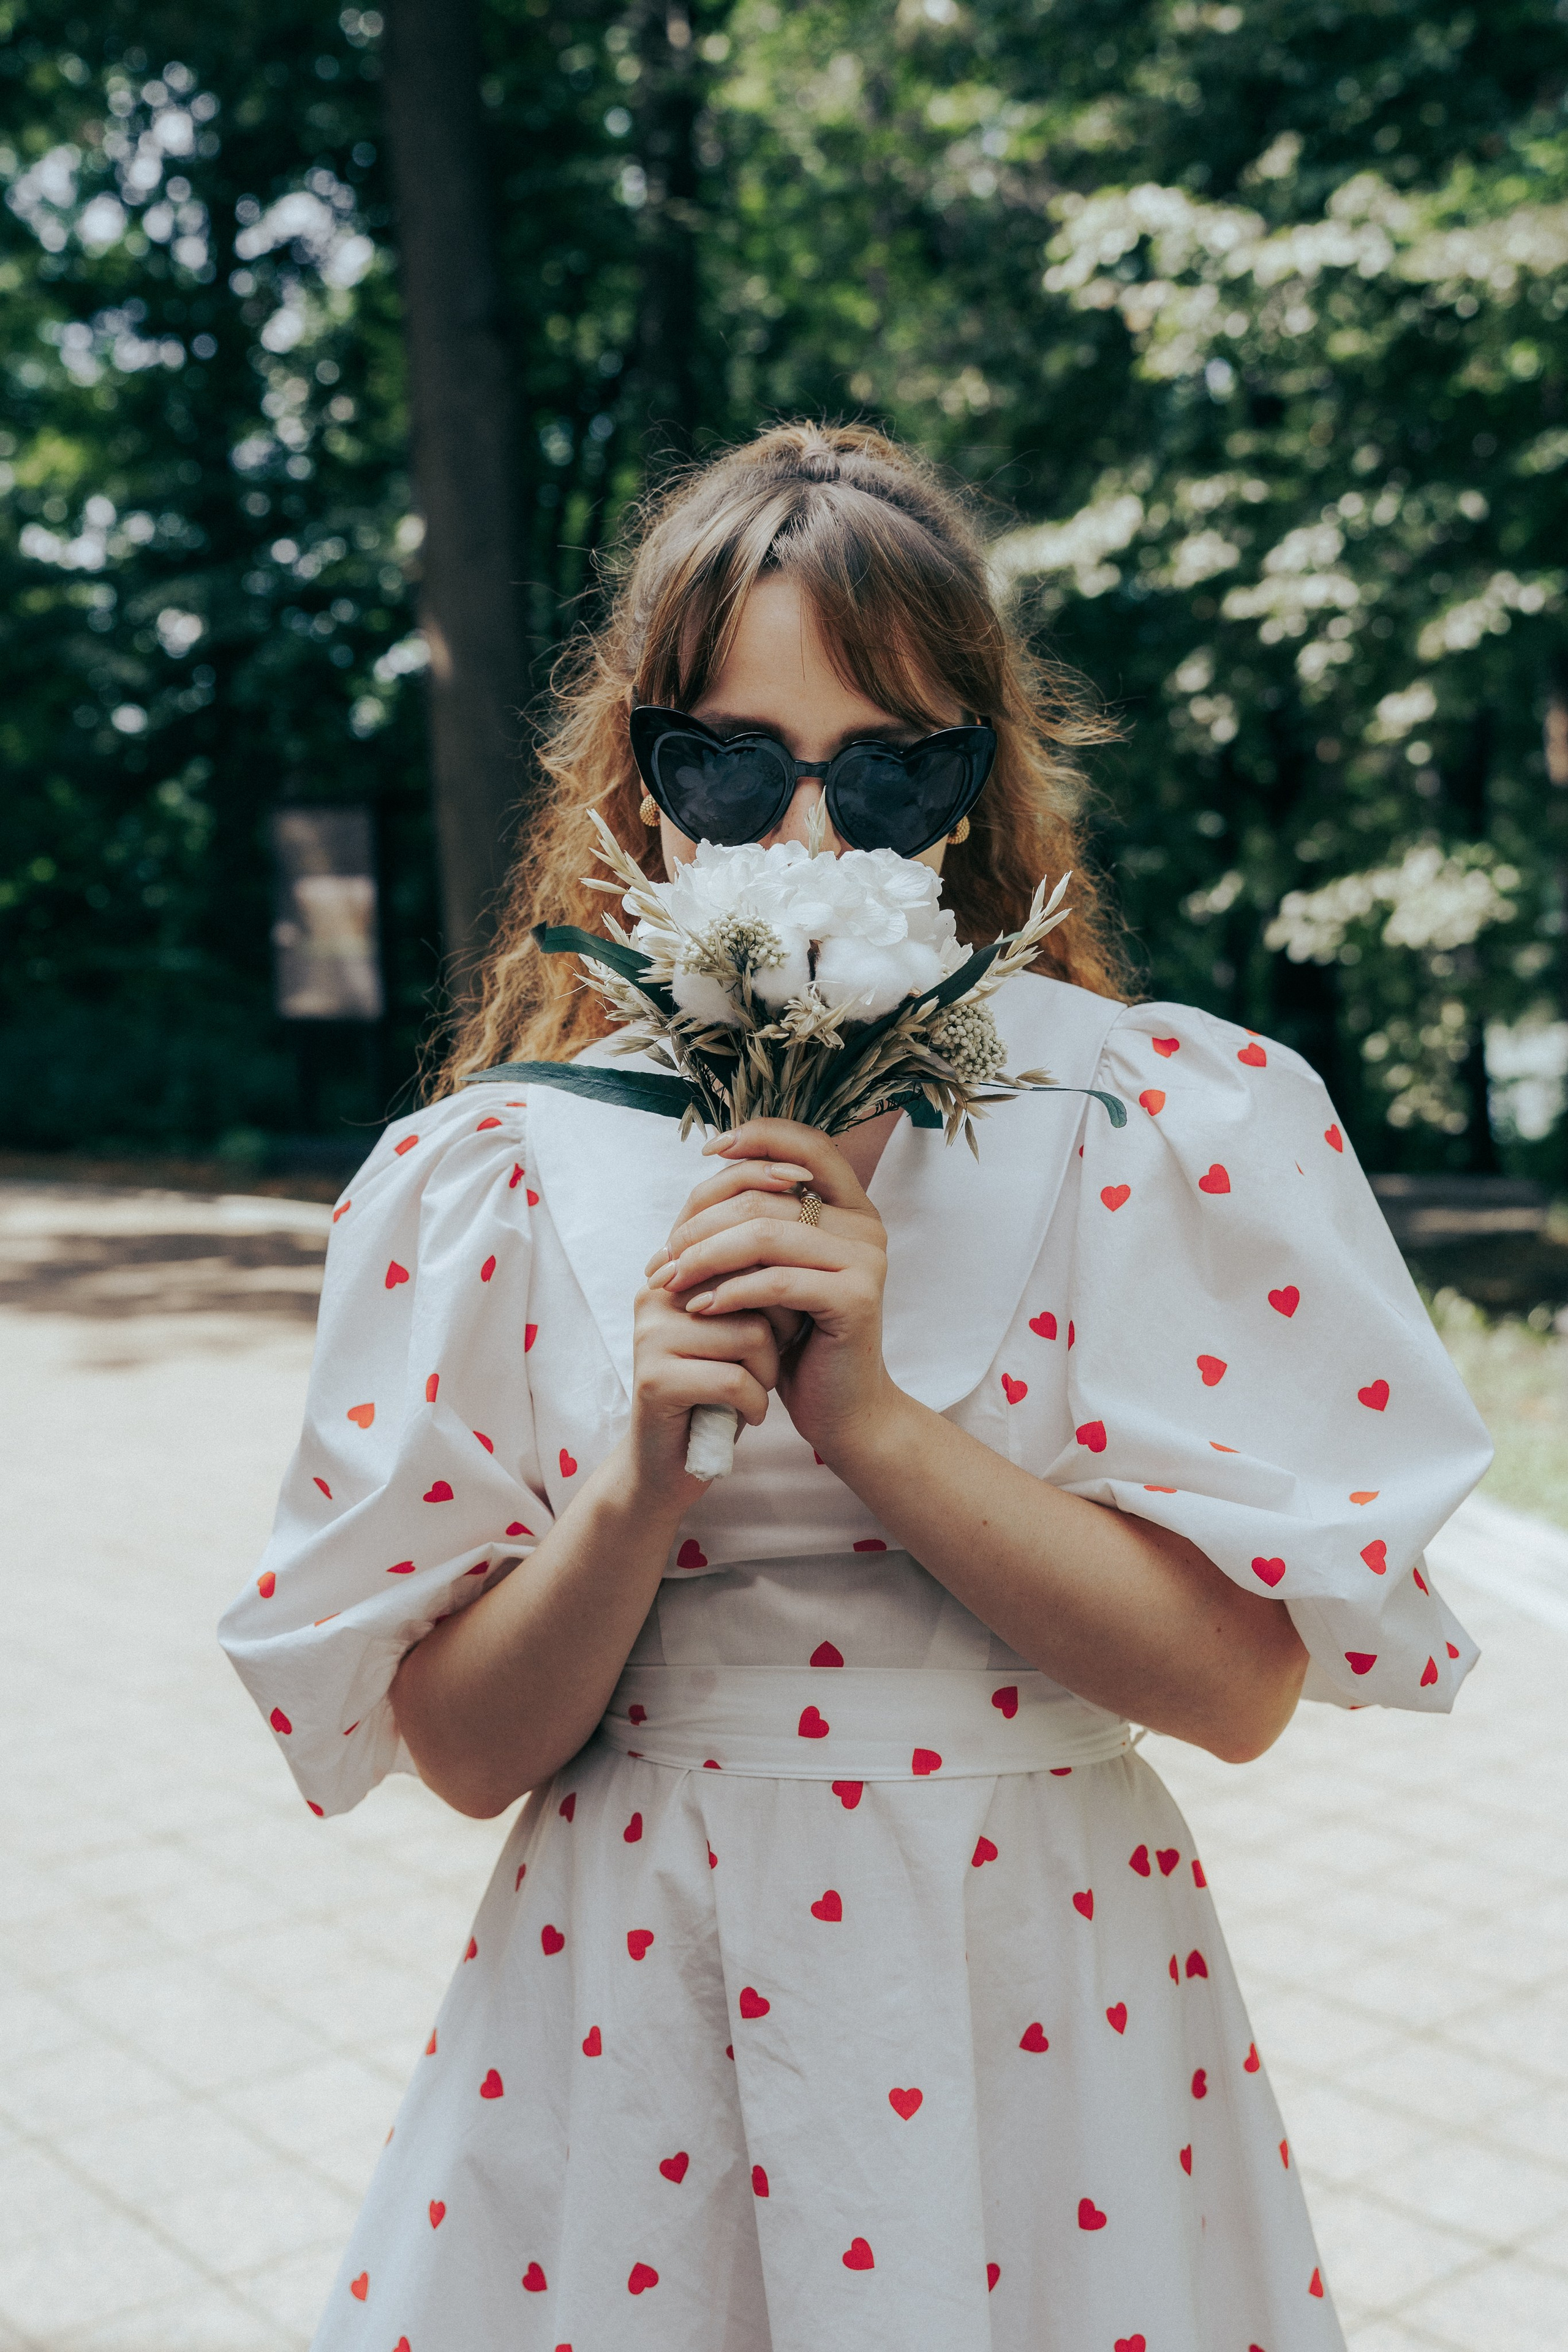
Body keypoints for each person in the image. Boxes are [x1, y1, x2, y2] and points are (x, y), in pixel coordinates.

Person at [220, 421, 1491, 2352]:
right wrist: (643, 1470)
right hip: (646, 1989)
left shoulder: (1139, 1122)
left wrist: (876, 1427)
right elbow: (468, 1753)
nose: (807, 842)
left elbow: (1239, 1693)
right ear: (634, 789)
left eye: (891, 771)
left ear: (976, 790)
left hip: (1032, 1987)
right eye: (728, 764)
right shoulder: (500, 1170)